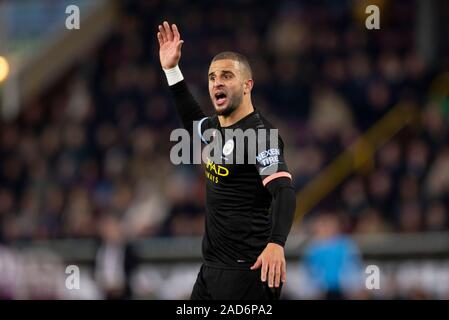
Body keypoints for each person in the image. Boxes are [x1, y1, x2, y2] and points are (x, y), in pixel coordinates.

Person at [157, 21, 296, 300]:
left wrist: (276, 244)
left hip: (248, 272)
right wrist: (171, 70)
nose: (217, 82)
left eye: (227, 75)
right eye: (211, 77)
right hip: (211, 270)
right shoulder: (216, 130)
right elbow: (192, 120)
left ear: (247, 85)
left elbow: (283, 189)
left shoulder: (260, 135)